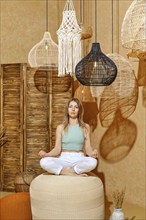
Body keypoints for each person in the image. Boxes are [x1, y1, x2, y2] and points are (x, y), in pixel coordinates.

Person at [38, 98, 98, 176]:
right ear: (67, 109)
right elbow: (57, 149)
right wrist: (47, 155)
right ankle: (68, 172)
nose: (73, 109)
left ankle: (72, 171)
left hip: (79, 158)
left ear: (79, 110)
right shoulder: (61, 127)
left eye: (76, 107)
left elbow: (88, 147)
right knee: (44, 161)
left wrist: (92, 153)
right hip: (64, 158)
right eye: (71, 107)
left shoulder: (85, 127)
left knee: (93, 162)